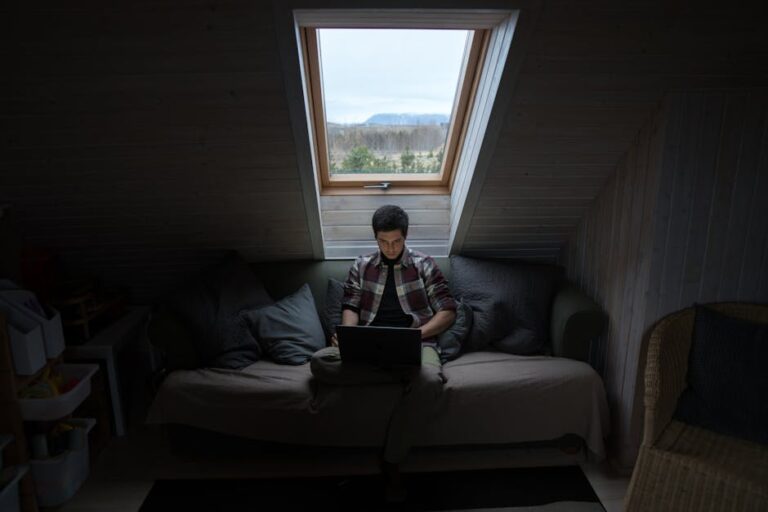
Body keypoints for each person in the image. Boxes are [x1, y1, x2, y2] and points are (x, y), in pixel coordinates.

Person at [310, 204, 457, 502]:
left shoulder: (424, 264)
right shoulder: (362, 265)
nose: (390, 248)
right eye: (383, 242)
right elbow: (350, 304)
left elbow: (448, 311)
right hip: (369, 345)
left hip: (418, 342)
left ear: (406, 236)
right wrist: (348, 334)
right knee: (319, 362)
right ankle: (398, 377)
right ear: (375, 238)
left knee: (429, 381)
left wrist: (417, 334)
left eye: (396, 241)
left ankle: (391, 461)